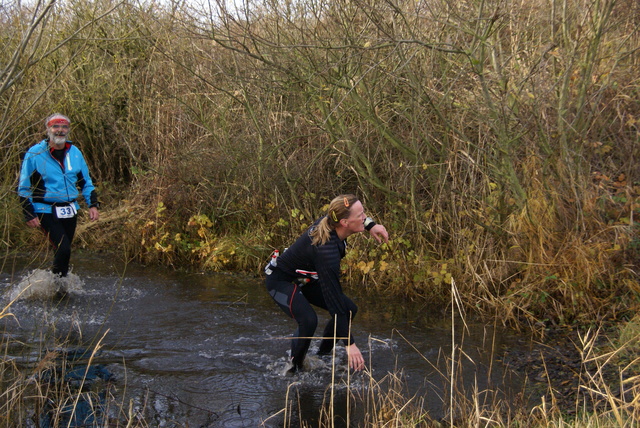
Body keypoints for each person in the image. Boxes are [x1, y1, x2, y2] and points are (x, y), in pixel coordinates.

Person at [265, 194, 389, 374]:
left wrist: (371, 225)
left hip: (305, 278)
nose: (365, 217)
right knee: (308, 320)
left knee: (348, 309)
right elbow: (333, 300)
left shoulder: (333, 219)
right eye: (361, 215)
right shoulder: (326, 252)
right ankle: (293, 370)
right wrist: (350, 344)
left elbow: (338, 303)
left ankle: (321, 357)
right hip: (281, 280)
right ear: (345, 223)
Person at [17, 113, 100, 278]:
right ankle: (59, 286)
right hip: (45, 209)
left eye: (64, 127)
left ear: (68, 130)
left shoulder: (75, 152)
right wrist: (28, 212)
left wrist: (93, 204)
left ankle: (56, 285)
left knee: (64, 250)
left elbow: (86, 182)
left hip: (70, 209)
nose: (60, 130)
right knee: (63, 248)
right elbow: (23, 186)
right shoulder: (35, 153)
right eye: (56, 126)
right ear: (48, 129)